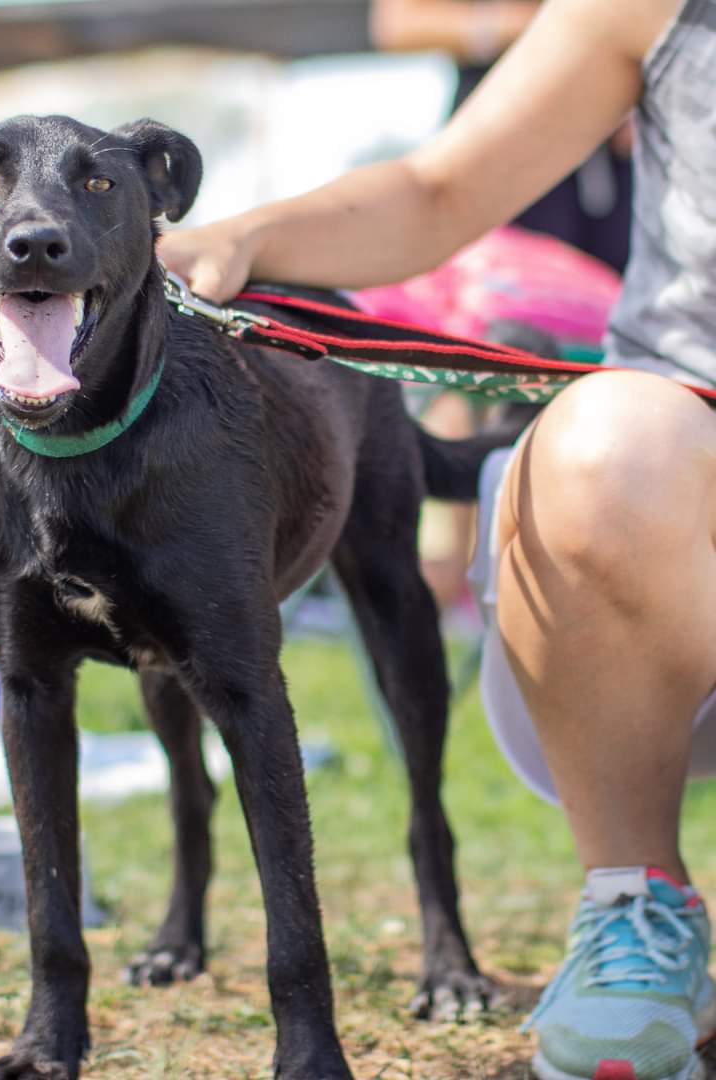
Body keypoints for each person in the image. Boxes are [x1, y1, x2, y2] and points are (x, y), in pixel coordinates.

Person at [157, 2, 716, 1078]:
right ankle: (636, 916)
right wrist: (246, 236)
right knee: (604, 443)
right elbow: (440, 188)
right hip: (672, 505)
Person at [371, 0, 633, 273]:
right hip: (499, 133)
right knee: (517, 283)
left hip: (606, 138)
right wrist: (538, 27)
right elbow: (400, 25)